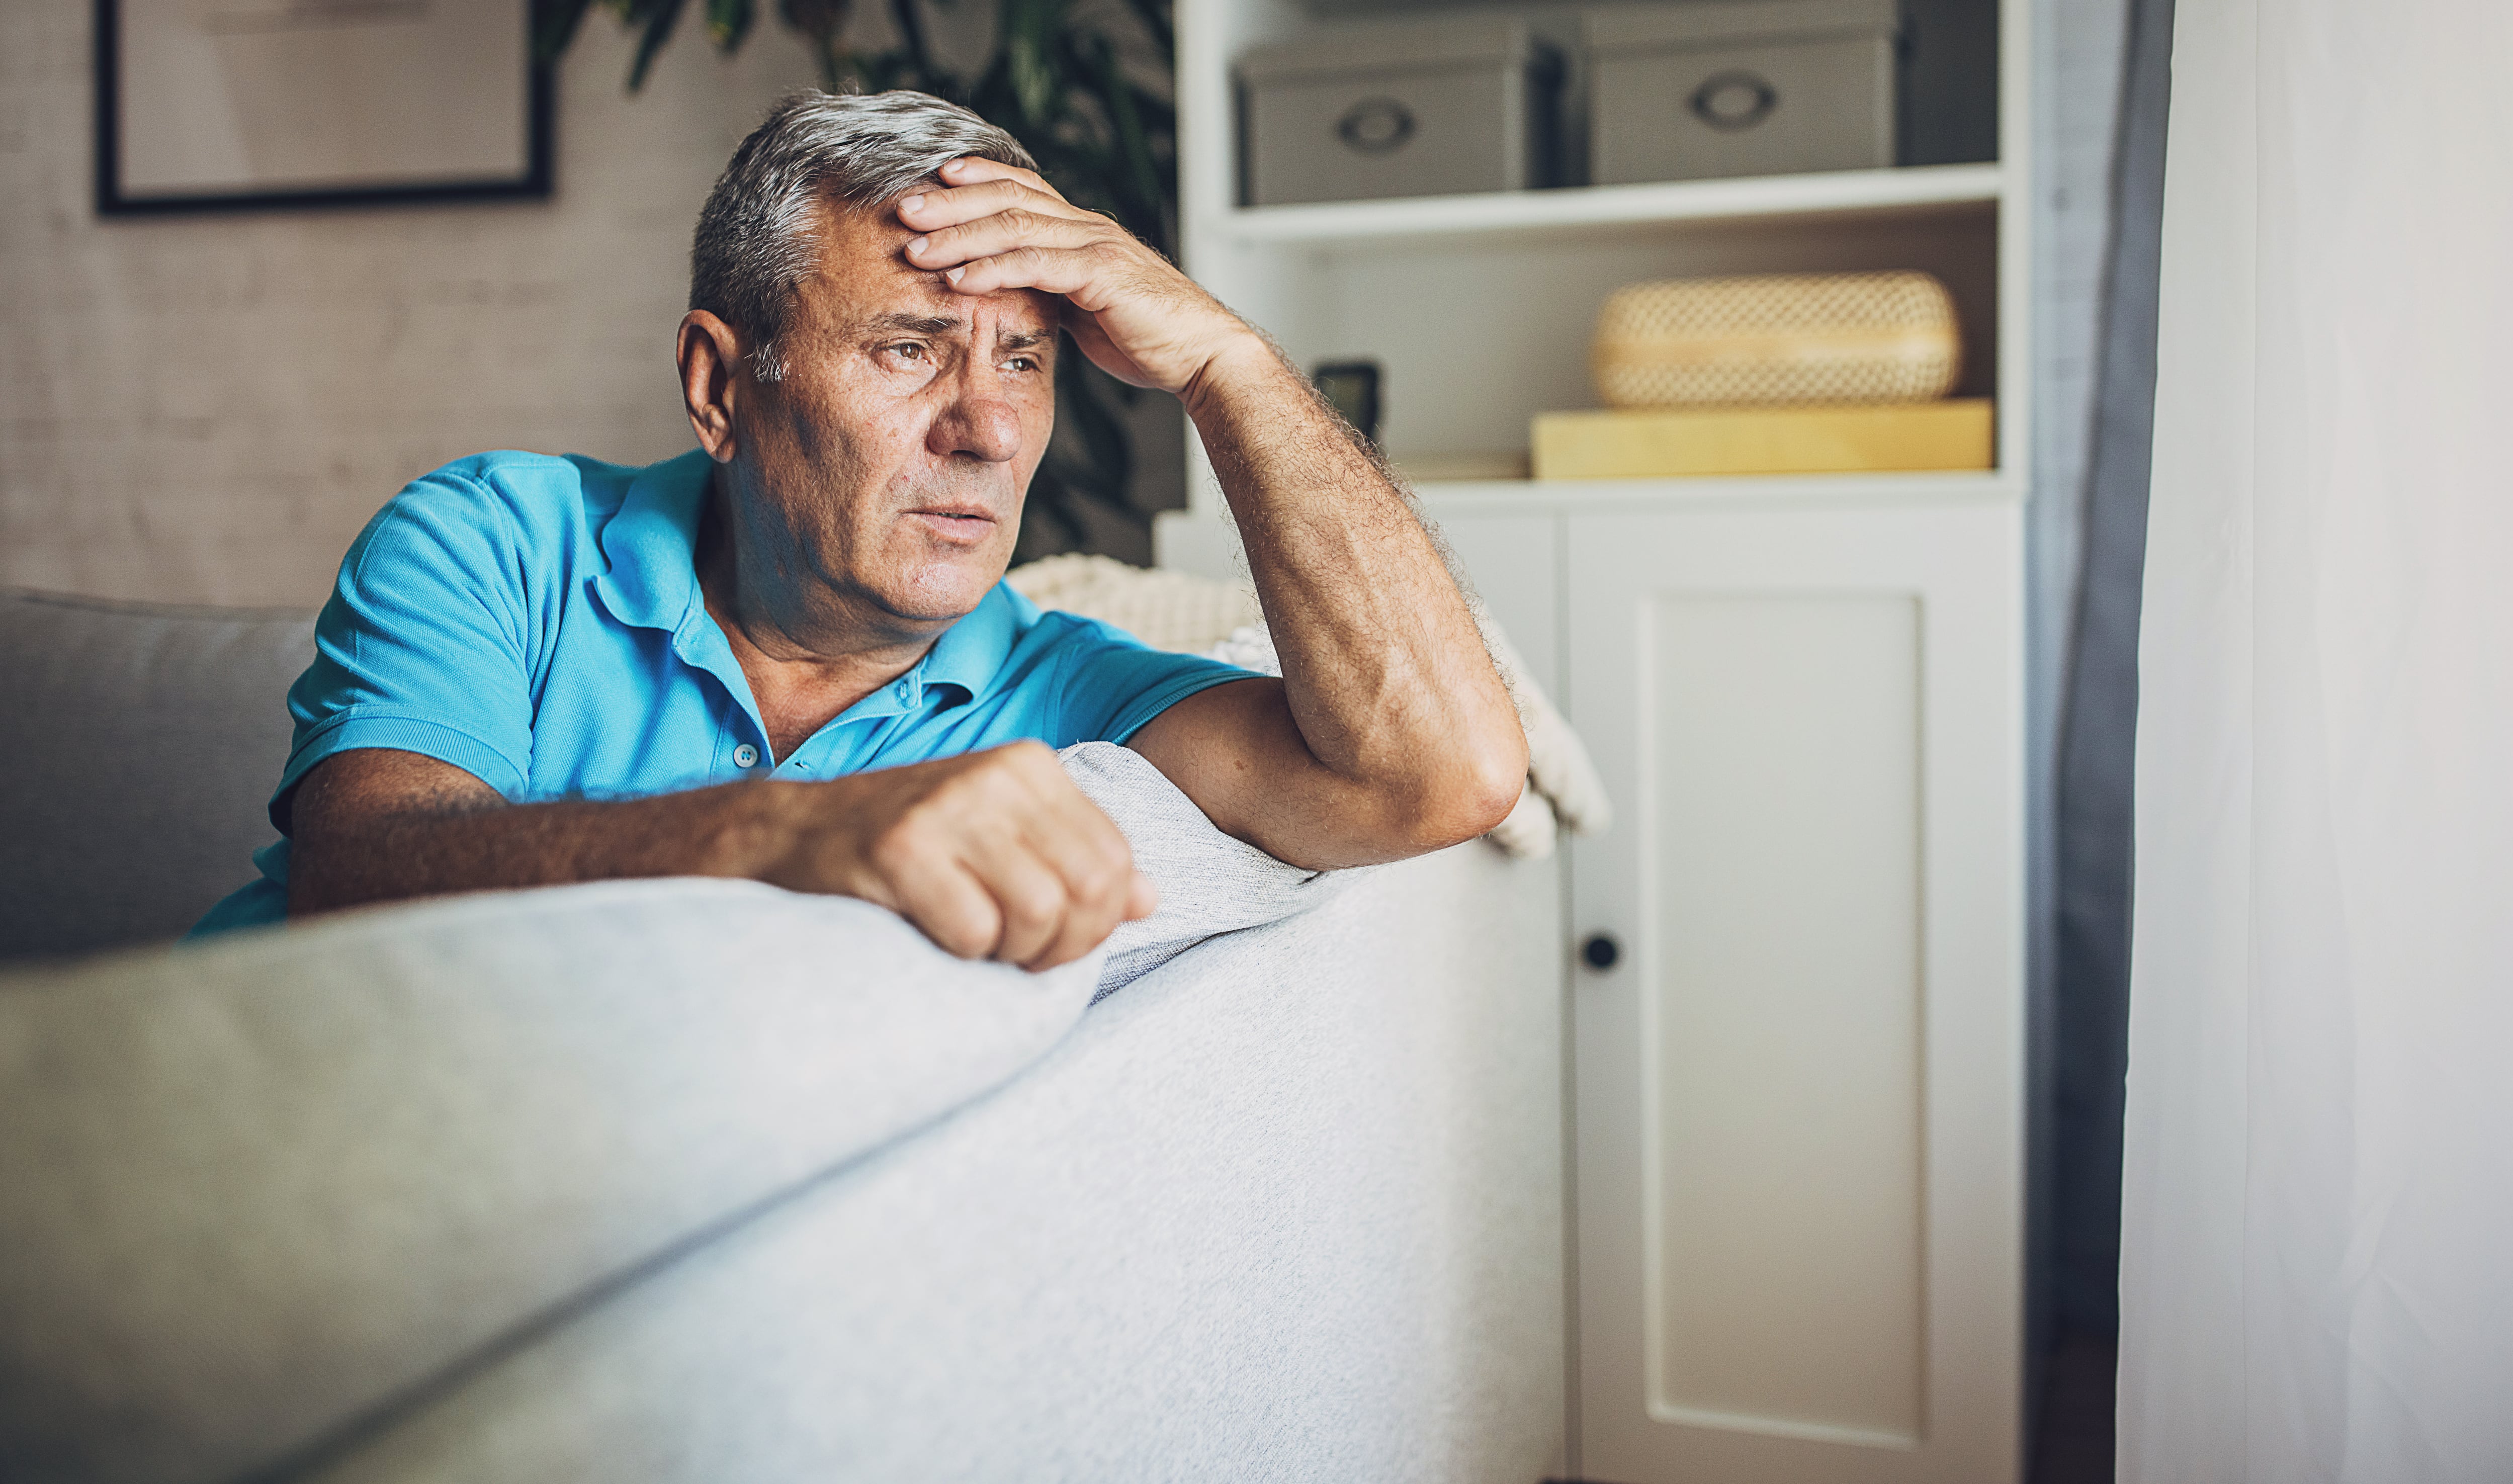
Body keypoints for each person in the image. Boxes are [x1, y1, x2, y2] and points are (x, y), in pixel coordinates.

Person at [194, 91, 1527, 969]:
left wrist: (1227, 364)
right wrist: (774, 836)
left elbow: (1440, 780)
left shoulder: (1070, 691)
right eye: (909, 348)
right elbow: (360, 878)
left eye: (1025, 360)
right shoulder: (497, 538)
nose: (989, 430)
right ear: (723, 387)